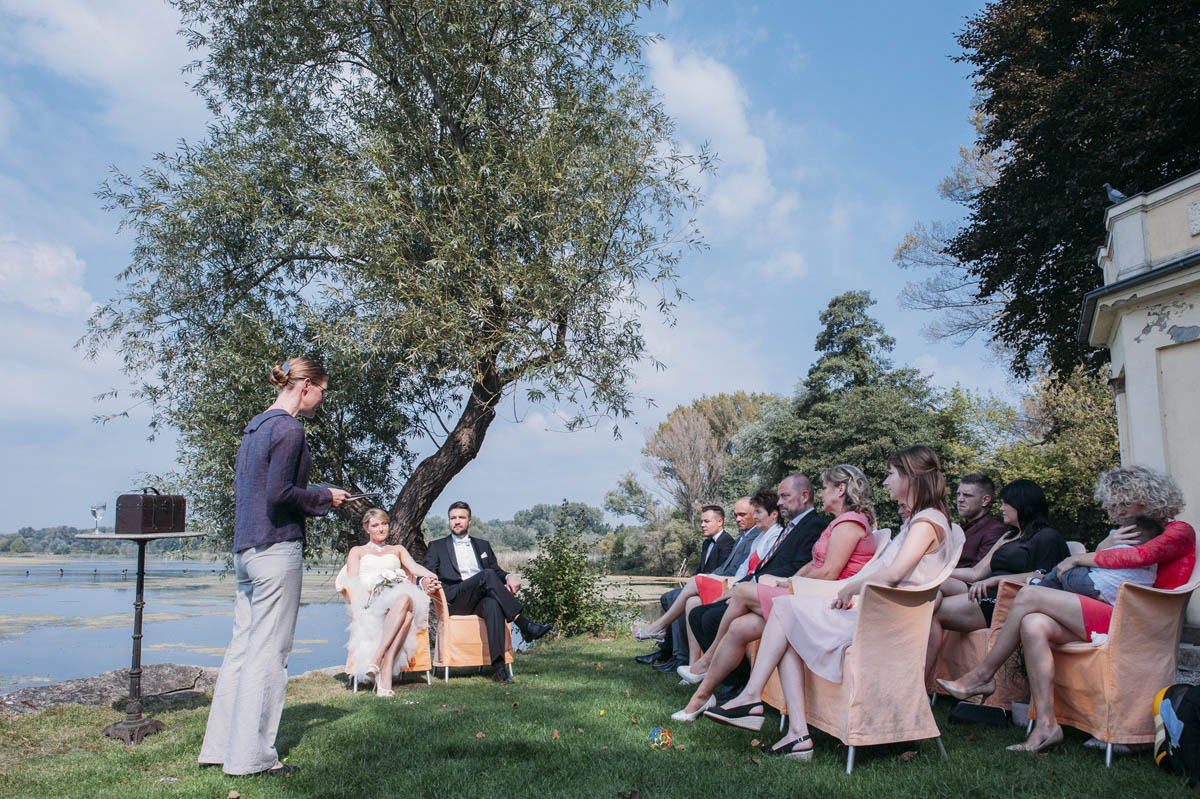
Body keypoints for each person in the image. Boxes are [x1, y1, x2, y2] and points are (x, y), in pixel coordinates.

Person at [701, 445, 963, 761]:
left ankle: (761, 705)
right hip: (876, 611)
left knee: (786, 612)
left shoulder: (926, 522)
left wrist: (851, 590)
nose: (885, 482)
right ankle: (789, 728)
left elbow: (894, 575)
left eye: (891, 474)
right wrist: (849, 591)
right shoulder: (919, 521)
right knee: (787, 617)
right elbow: (885, 574)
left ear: (911, 476)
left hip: (884, 622)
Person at [938, 465, 1196, 752]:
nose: (1117, 510)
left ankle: (982, 675)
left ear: (1149, 499)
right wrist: (1101, 547)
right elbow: (1110, 563)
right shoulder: (1131, 530)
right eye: (1114, 504)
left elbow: (1139, 557)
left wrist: (1078, 559)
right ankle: (1046, 726)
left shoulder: (1179, 531)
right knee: (1033, 623)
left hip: (1135, 619)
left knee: (1029, 595)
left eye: (1124, 502)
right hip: (1112, 609)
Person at [199, 357, 350, 777]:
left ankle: (219, 749)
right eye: (323, 391)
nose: (322, 400)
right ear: (306, 386)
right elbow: (280, 493)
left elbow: (258, 490)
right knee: (269, 654)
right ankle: (252, 758)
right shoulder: (289, 429)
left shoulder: (255, 427)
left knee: (241, 649)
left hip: (246, 548)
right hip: (275, 548)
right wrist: (325, 497)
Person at [675, 465, 876, 687]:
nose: (820, 494)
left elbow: (829, 572)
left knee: (739, 593)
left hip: (823, 599)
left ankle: (711, 664)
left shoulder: (848, 523)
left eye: (825, 488)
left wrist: (790, 585)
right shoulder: (838, 523)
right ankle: (734, 690)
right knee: (736, 624)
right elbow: (812, 564)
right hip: (809, 591)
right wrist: (789, 582)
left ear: (840, 489)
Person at [685, 476, 826, 698]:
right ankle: (727, 678)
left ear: (804, 496)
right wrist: (741, 585)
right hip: (760, 586)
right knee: (698, 614)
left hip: (778, 591)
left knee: (710, 618)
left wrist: (757, 583)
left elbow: (799, 566)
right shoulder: (792, 527)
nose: (779, 502)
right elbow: (765, 564)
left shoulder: (814, 526)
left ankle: (736, 681)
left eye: (784, 496)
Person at [924, 479, 1068, 680]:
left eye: (1005, 503)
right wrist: (934, 571)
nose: (1001, 508)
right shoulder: (1008, 536)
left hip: (1007, 598)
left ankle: (920, 683)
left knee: (934, 613)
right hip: (983, 588)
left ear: (1022, 505)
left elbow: (1045, 577)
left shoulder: (1047, 537)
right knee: (936, 584)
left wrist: (996, 580)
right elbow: (975, 573)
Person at [424, 501, 554, 683]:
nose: (457, 521)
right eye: (453, 518)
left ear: (469, 520)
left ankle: (500, 670)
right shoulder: (436, 546)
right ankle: (523, 624)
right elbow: (427, 572)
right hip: (455, 601)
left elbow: (497, 571)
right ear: (449, 521)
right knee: (486, 575)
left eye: (461, 517)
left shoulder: (482, 545)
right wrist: (425, 582)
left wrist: (509, 576)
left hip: (479, 600)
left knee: (493, 604)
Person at [633, 499, 760, 668]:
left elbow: (736, 571)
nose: (737, 519)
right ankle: (682, 659)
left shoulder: (744, 539)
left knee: (684, 593)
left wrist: (705, 578)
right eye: (736, 515)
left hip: (732, 585)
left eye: (742, 515)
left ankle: (669, 641)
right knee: (681, 598)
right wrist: (704, 577)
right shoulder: (738, 538)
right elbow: (722, 568)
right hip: (724, 582)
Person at [343, 508, 440, 696]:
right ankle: (385, 671)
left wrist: (432, 576)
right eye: (375, 525)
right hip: (372, 600)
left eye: (384, 524)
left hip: (399, 596)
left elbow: (414, 567)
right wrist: (371, 592)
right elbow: (352, 581)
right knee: (407, 616)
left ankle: (376, 658)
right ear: (367, 529)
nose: (381, 529)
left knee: (403, 597)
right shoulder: (358, 551)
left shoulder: (397, 550)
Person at [956, 474, 1007, 568]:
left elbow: (978, 571)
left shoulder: (994, 530)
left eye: (967, 495)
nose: (960, 499)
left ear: (985, 500)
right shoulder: (961, 528)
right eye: (958, 494)